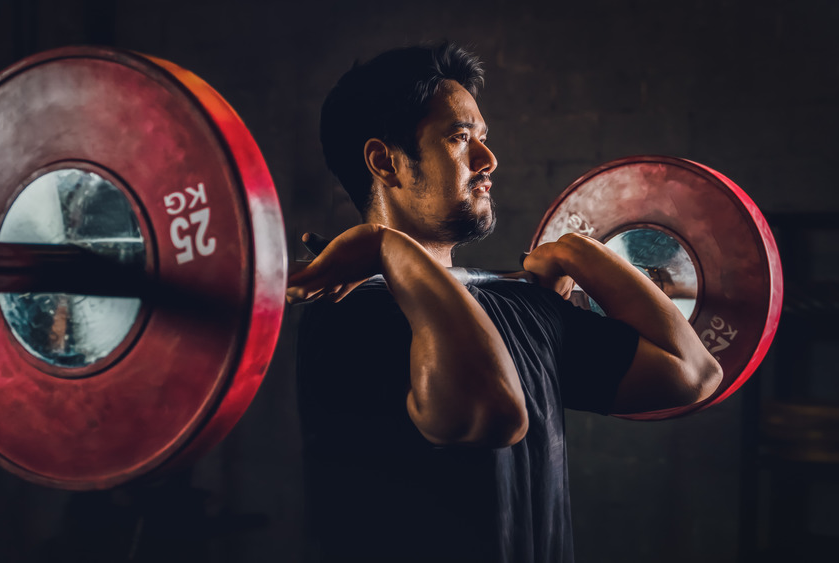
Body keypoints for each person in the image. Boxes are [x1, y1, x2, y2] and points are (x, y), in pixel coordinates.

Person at [288, 43, 722, 563]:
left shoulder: (519, 305)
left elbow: (693, 373)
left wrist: (577, 251)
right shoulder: (353, 314)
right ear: (385, 162)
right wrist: (389, 247)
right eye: (459, 138)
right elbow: (491, 417)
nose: (488, 158)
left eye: (483, 139)